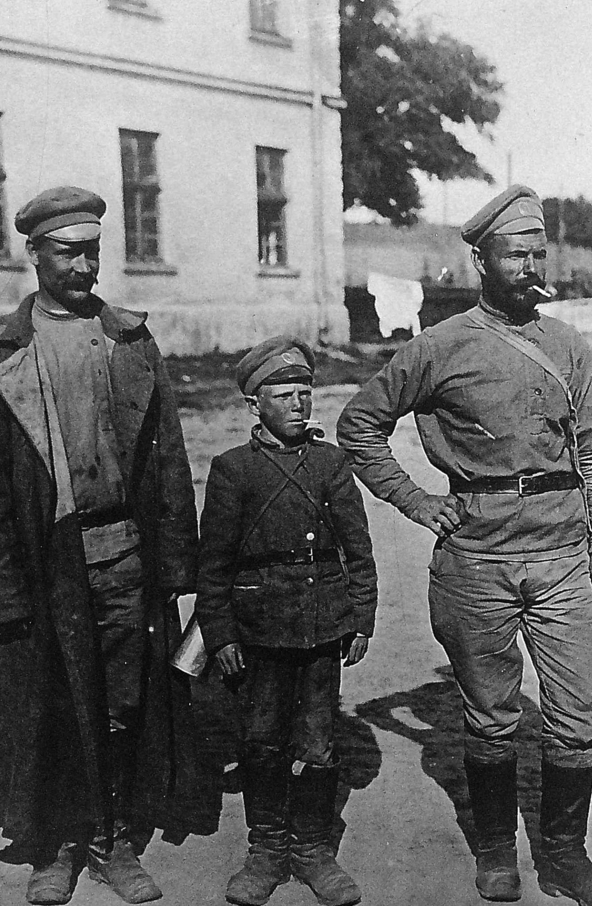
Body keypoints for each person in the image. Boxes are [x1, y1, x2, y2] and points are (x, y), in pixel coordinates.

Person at [337, 185, 592, 906]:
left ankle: (565, 856)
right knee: (492, 713)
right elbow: (359, 426)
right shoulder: (438, 348)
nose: (530, 264)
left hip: (562, 553)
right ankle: (497, 850)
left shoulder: (567, 345)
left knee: (577, 712)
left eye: (538, 252)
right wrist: (417, 501)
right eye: (515, 252)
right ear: (480, 258)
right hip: (478, 558)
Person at [0, 186, 200, 905]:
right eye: (68, 251)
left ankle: (114, 837)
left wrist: (176, 564)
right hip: (49, 561)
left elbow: (168, 458)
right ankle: (62, 842)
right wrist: (2, 590)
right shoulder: (3, 349)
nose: (85, 265)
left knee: (126, 695)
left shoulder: (130, 338)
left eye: (93, 250)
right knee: (59, 700)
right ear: (33, 254)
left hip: (124, 548)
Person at [194, 337, 378, 906]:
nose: (299, 405)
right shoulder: (232, 471)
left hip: (322, 627)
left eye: (306, 393)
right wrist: (221, 634)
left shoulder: (331, 463)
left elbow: (358, 547)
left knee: (319, 742)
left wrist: (361, 616)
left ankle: (315, 850)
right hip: (259, 632)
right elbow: (214, 566)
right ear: (255, 404)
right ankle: (267, 851)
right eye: (284, 395)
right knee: (262, 740)